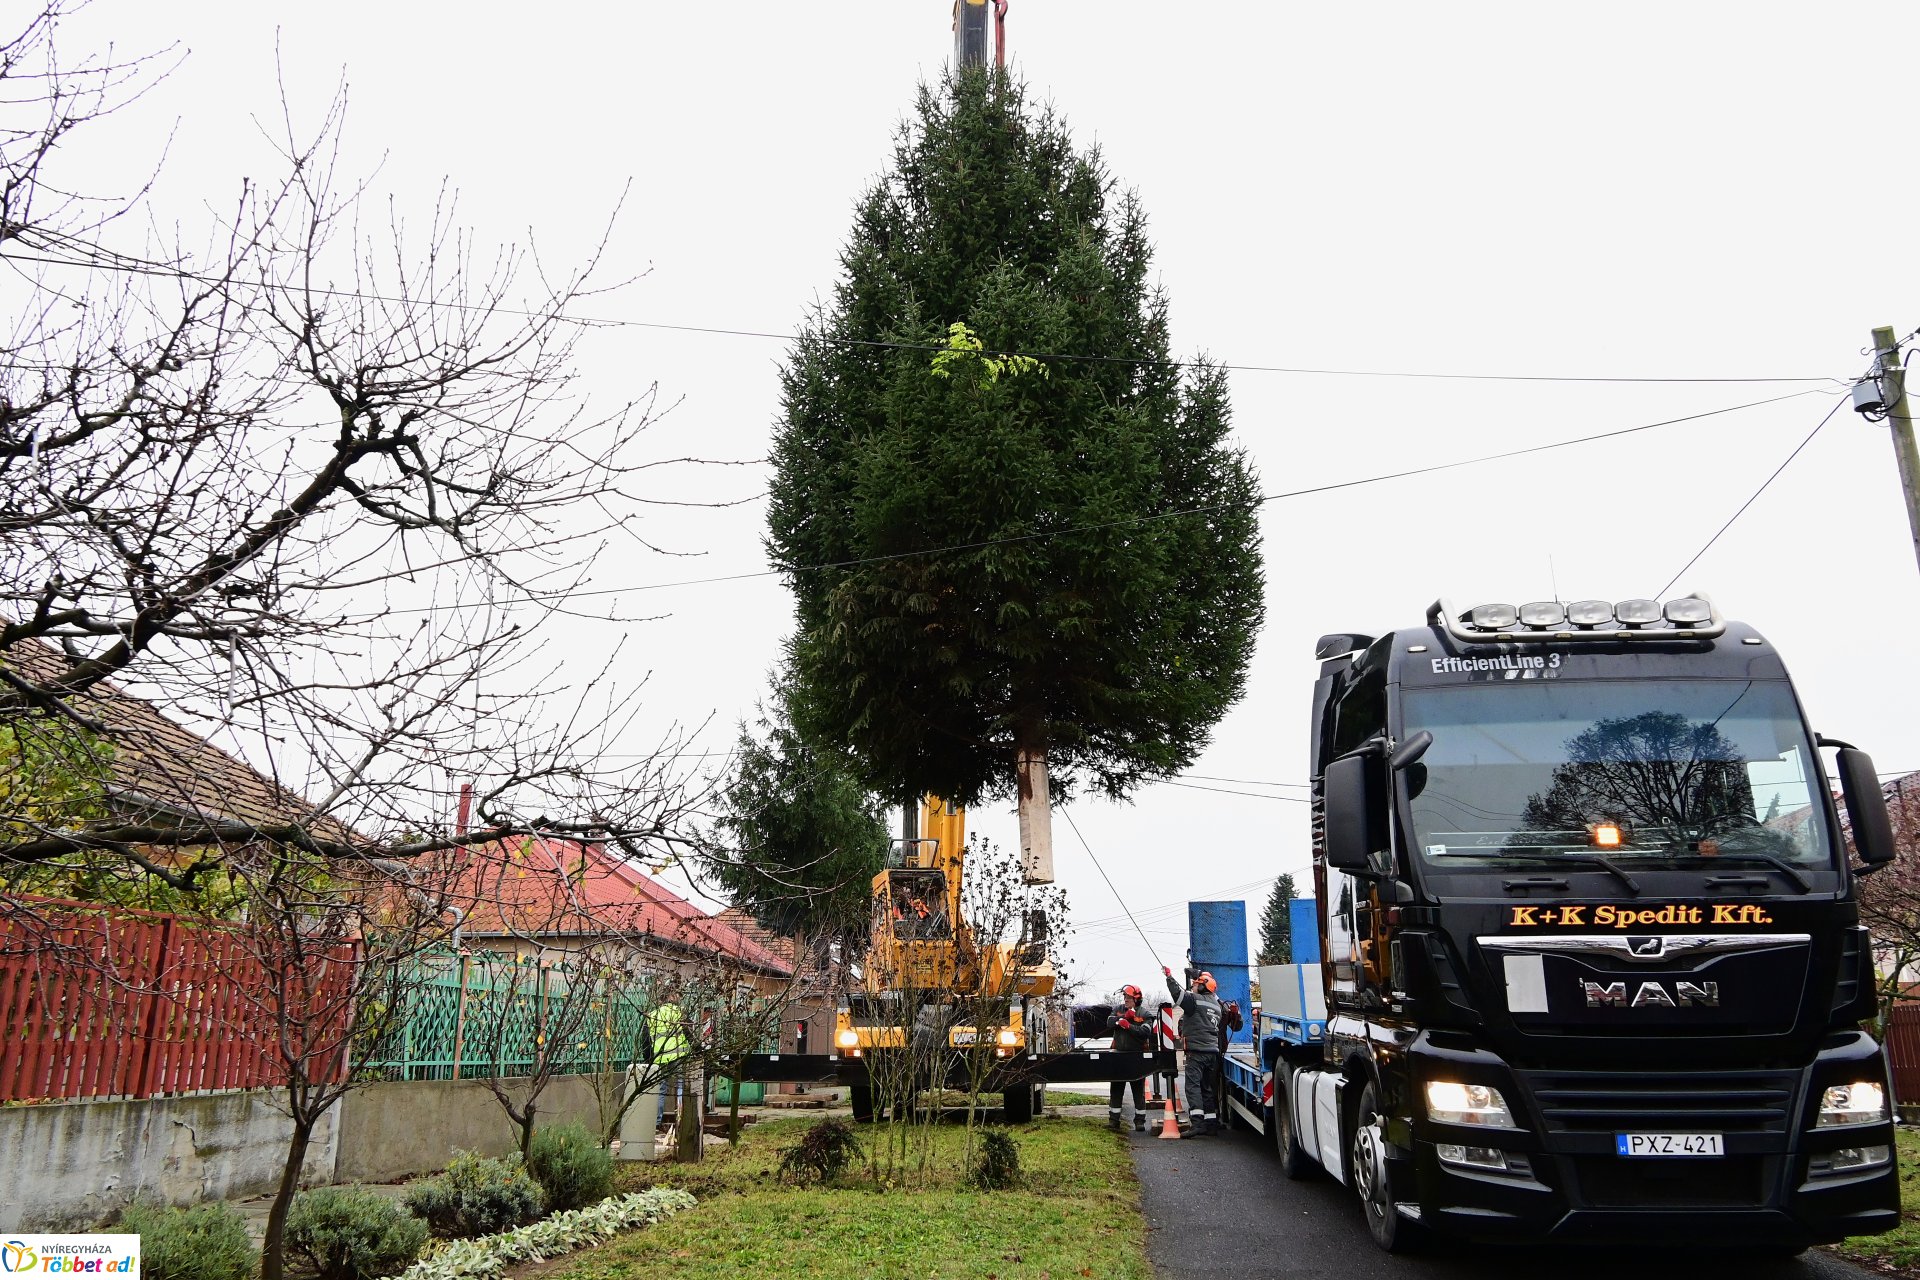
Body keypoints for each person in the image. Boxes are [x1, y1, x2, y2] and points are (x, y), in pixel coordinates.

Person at [1166, 965, 1224, 1135]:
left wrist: (1169, 977)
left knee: (1193, 1087)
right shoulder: (1217, 1005)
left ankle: (1197, 1123)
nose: (1193, 986)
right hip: (1212, 1052)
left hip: (1197, 1051)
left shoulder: (1195, 1001)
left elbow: (1177, 994)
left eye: (1196, 984)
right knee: (1206, 1088)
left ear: (1203, 986)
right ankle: (1211, 1124)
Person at [1106, 984, 1154, 1132]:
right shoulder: (1118, 1009)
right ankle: (1114, 1121)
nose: (1125, 1000)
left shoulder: (1145, 1014)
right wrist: (1121, 1018)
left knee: (1138, 1091)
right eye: (1125, 997)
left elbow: (1145, 1032)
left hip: (1136, 1057)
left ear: (1137, 999)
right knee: (1116, 1089)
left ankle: (1140, 1121)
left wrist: (1129, 1026)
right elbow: (1109, 1022)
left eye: (1129, 997)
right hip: (1118, 1056)